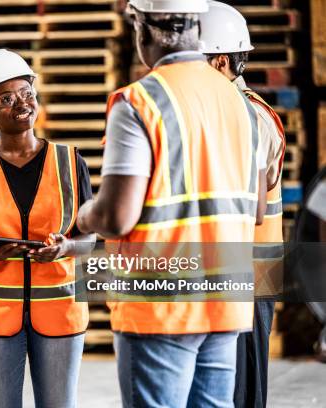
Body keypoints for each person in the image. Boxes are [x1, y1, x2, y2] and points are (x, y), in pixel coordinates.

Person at [76, 0, 268, 406]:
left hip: (160, 304)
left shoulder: (139, 102)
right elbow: (255, 212)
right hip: (224, 299)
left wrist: (83, 216)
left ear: (142, 27)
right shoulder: (242, 105)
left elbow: (115, 216)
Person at [0, 49, 96, 408]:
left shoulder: (71, 162)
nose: (21, 104)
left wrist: (65, 248)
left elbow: (89, 237)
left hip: (60, 310)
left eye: (27, 93)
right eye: (7, 98)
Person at [199, 2, 286, 407]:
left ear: (218, 62)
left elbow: (243, 207)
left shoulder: (245, 117)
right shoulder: (218, 112)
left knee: (240, 393)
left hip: (245, 277)